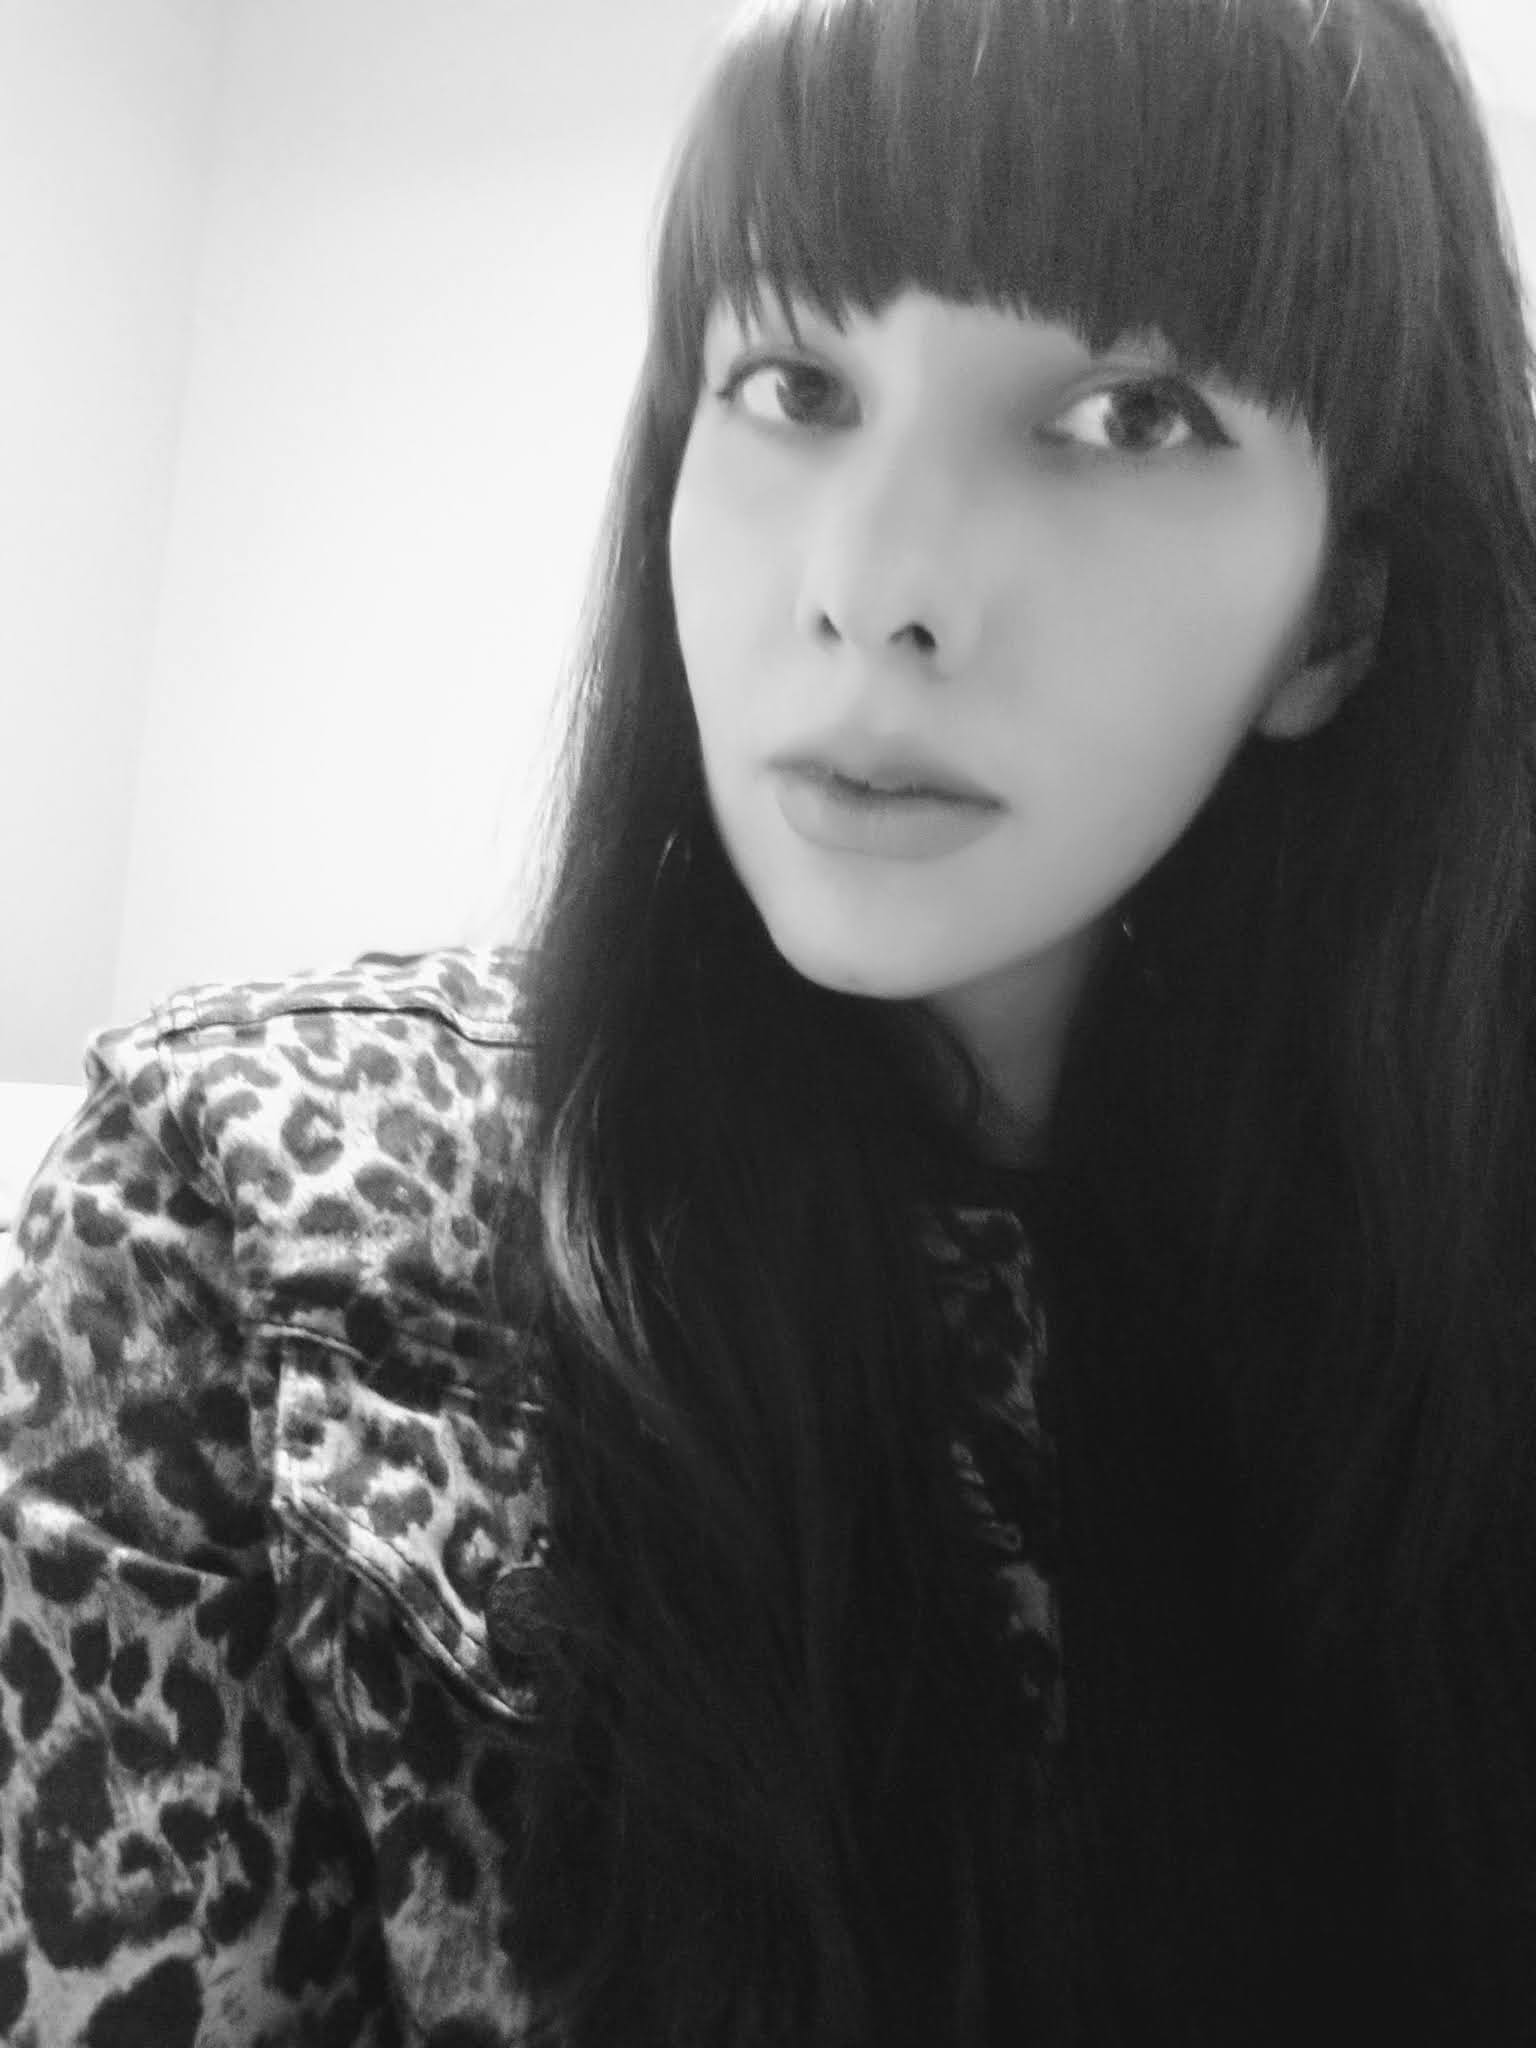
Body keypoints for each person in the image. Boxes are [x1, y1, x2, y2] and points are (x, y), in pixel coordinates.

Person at [3, 0, 1534, 2038]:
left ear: (1340, 613)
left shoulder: (1462, 1309)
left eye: (1129, 415)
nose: (876, 583)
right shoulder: (233, 1217)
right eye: (795, 383)